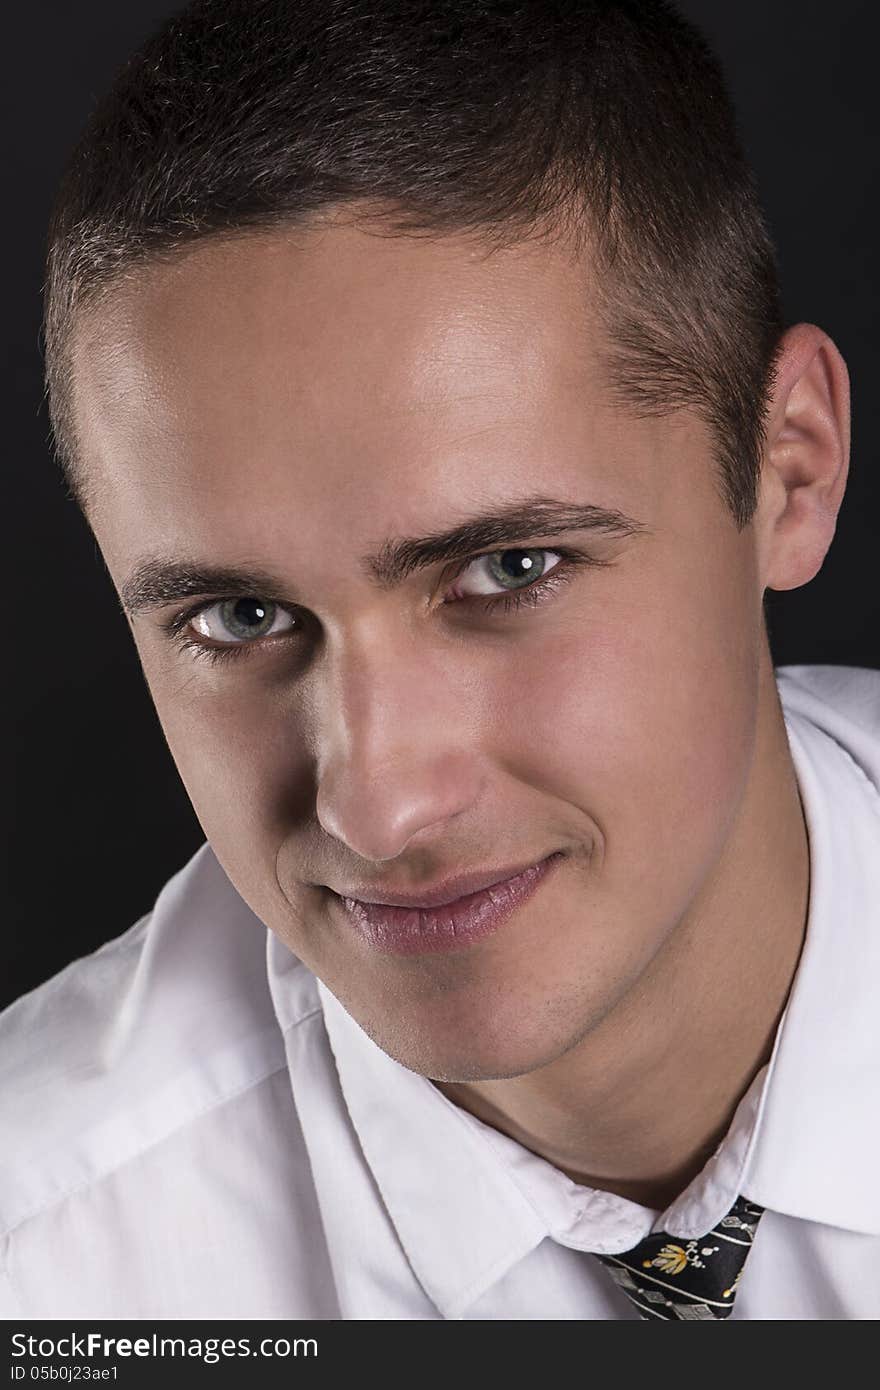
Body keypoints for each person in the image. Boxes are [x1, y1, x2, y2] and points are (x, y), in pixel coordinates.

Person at [2, 0, 878, 1322]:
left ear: (789, 472)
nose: (378, 806)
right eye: (240, 617)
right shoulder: (47, 1266)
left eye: (508, 570)